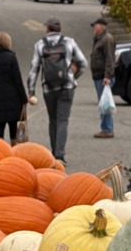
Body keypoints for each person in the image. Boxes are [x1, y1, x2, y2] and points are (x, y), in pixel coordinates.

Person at [27, 16, 87, 164]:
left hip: (48, 88)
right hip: (66, 86)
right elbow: (83, 63)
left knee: (53, 120)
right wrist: (73, 77)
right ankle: (60, 156)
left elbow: (34, 69)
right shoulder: (69, 42)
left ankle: (53, 155)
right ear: (59, 28)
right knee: (62, 121)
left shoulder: (40, 44)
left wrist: (31, 90)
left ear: (47, 28)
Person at [0, 32, 28, 144]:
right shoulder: (11, 58)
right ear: (8, 43)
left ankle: (0, 148)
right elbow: (18, 80)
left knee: (0, 126)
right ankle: (13, 149)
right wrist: (24, 98)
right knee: (13, 125)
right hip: (13, 99)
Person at [91, 17, 116, 138]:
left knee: (105, 104)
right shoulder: (99, 39)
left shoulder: (107, 39)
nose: (93, 28)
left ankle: (107, 129)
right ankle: (106, 128)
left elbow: (109, 59)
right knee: (103, 103)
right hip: (99, 76)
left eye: (95, 25)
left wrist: (107, 76)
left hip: (103, 77)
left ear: (102, 26)